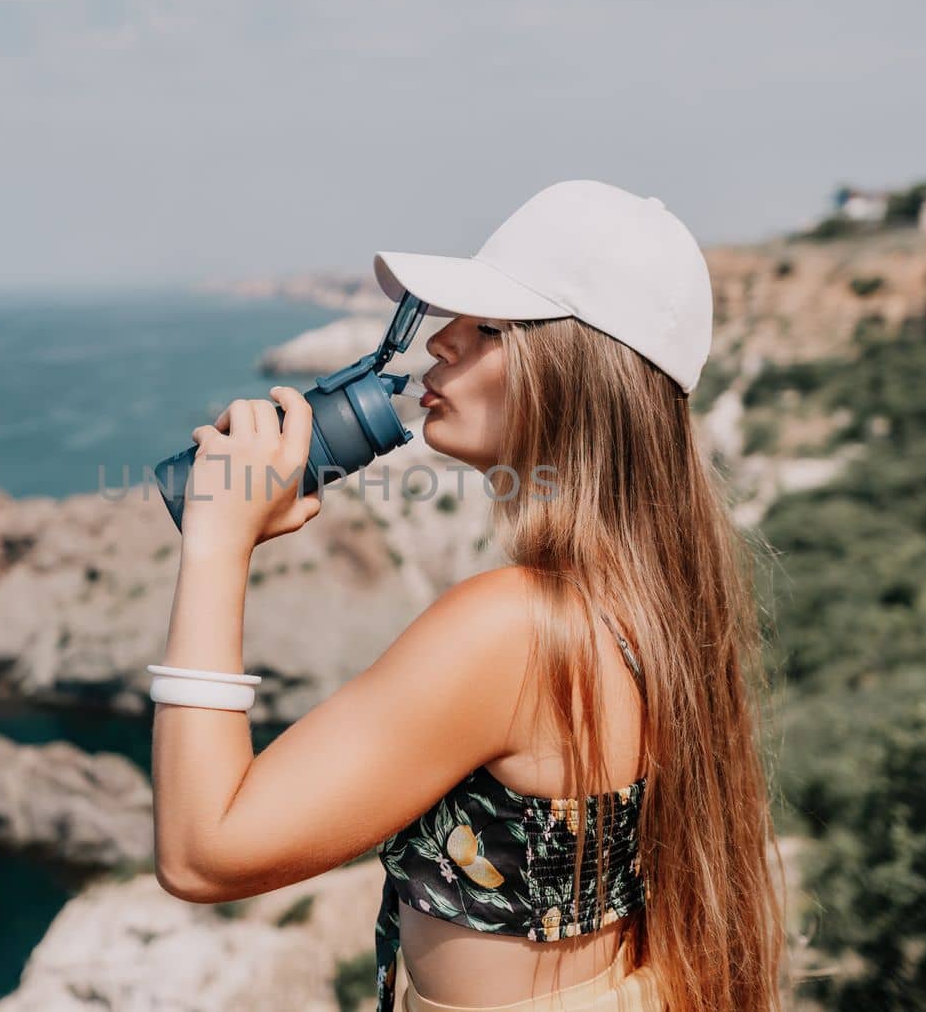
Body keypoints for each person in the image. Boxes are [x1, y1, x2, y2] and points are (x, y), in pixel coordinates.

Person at [149, 180, 784, 1011]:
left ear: (575, 370)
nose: (442, 343)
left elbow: (205, 853)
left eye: (486, 327)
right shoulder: (654, 596)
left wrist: (218, 544)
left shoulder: (516, 625)